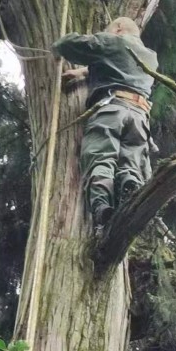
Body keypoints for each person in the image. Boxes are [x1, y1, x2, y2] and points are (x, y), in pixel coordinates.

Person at [53, 17, 159, 237]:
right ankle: (129, 190)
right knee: (131, 164)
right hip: (139, 117)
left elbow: (69, 45)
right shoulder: (150, 57)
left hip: (112, 110)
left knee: (100, 157)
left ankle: (102, 209)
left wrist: (57, 46)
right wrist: (84, 72)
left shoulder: (114, 41)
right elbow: (120, 65)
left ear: (118, 28)